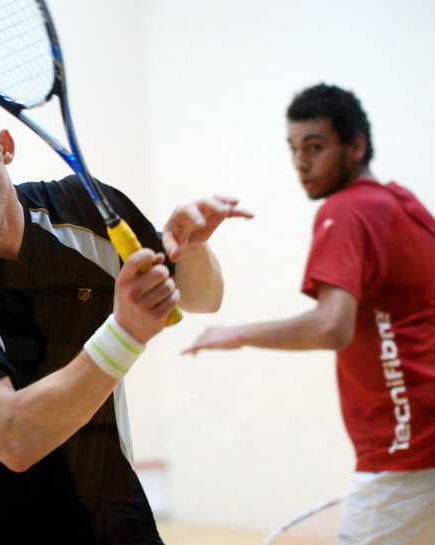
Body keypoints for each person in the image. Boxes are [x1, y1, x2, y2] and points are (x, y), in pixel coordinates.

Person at [0, 83, 252, 545]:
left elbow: (201, 298)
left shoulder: (86, 209)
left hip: (119, 520)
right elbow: (14, 439)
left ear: (4, 147)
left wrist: (192, 250)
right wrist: (125, 333)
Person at [183, 83, 435, 544]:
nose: (300, 162)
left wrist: (238, 333)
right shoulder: (405, 205)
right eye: (293, 148)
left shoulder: (347, 210)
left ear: (356, 147)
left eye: (315, 147)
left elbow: (330, 326)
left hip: (406, 450)